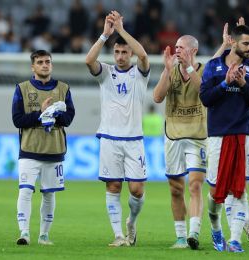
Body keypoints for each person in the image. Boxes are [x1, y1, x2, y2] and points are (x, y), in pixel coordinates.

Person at [85, 11, 150, 247]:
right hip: (110, 138)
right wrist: (105, 35)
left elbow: (143, 55)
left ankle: (131, 222)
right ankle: (118, 235)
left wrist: (121, 30)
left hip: (134, 139)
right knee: (113, 186)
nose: (120, 56)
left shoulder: (139, 74)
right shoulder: (106, 73)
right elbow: (88, 61)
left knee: (137, 189)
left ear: (130, 54)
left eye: (124, 52)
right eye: (117, 52)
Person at [200, 25, 249, 253]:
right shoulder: (213, 66)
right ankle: (216, 227)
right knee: (216, 189)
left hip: (243, 134)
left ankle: (235, 240)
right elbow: (206, 98)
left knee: (239, 189)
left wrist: (243, 84)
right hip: (217, 135)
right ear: (234, 42)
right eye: (246, 43)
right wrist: (226, 83)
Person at [215, 19, 249, 246]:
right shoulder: (222, 69)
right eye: (243, 44)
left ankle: (248, 220)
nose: (247, 49)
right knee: (232, 188)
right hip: (233, 134)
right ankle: (233, 233)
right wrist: (228, 44)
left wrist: (246, 43)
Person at [12, 50, 75, 245]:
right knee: (25, 191)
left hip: (54, 151)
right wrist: (41, 113)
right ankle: (24, 233)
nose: (45, 65)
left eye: (48, 61)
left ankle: (44, 235)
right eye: (40, 62)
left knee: (49, 194)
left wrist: (54, 113)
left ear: (52, 65)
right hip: (29, 150)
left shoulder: (63, 89)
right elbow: (17, 120)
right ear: (33, 67)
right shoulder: (22, 88)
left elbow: (69, 118)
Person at [153, 35, 206, 250]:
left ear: (193, 51)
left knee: (195, 184)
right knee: (176, 189)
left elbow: (206, 93)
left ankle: (194, 232)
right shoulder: (171, 70)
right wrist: (166, 70)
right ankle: (181, 237)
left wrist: (190, 69)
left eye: (181, 47)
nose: (177, 50)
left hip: (197, 136)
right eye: (175, 47)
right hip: (173, 135)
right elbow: (157, 97)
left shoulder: (204, 70)